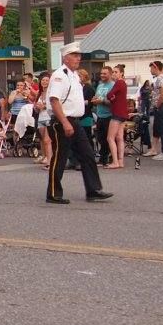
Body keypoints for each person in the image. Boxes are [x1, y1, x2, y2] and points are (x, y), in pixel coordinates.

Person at [45, 43, 111, 205]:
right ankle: (53, 193)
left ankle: (93, 190)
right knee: (60, 157)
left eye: (79, 55)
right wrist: (65, 122)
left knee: (87, 154)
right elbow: (54, 101)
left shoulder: (74, 75)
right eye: (74, 55)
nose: (78, 58)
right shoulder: (60, 75)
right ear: (65, 57)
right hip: (63, 121)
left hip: (75, 121)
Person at [145, 61, 163, 160]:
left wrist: (157, 105)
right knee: (159, 128)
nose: (150, 70)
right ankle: (159, 151)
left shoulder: (161, 78)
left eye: (151, 68)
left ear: (156, 68)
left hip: (162, 105)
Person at [105, 66, 129, 169]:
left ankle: (115, 161)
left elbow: (109, 94)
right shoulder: (123, 83)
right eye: (113, 72)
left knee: (110, 138)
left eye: (116, 72)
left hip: (117, 113)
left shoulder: (118, 83)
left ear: (121, 73)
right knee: (119, 138)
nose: (114, 73)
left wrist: (112, 98)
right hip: (123, 113)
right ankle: (120, 161)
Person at [92, 66, 115, 165]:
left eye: (104, 73)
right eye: (101, 73)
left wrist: (102, 101)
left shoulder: (113, 85)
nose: (102, 75)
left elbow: (114, 101)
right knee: (100, 137)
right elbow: (97, 97)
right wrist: (95, 100)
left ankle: (109, 157)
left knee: (108, 138)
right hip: (100, 115)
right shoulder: (100, 85)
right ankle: (103, 157)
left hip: (109, 115)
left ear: (110, 74)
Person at [35, 73, 53, 169]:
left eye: (46, 80)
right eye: (43, 80)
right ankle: (47, 157)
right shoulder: (39, 93)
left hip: (49, 117)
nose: (44, 82)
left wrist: (44, 106)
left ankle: (50, 162)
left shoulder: (52, 92)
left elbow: (54, 104)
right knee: (43, 140)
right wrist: (37, 107)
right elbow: (36, 107)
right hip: (41, 118)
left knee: (47, 140)